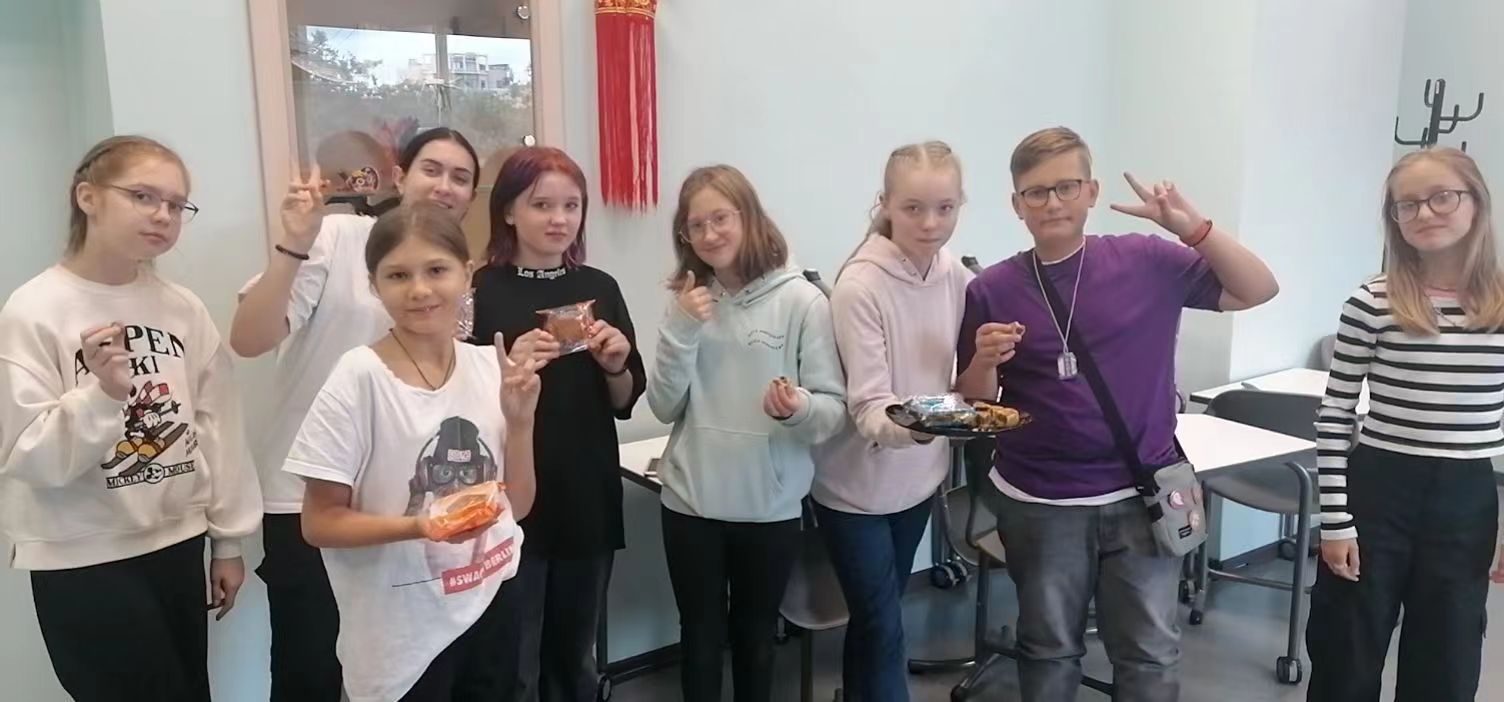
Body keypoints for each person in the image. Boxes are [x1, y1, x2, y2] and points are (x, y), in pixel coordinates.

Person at [955, 126, 1278, 701]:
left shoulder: (1147, 260)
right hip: (1040, 501)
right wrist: (982, 360)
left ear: (1091, 191)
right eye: (1036, 192)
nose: (1052, 202)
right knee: (1047, 648)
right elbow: (975, 402)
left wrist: (1194, 229)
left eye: (1066, 186)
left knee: (1149, 653)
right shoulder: (993, 288)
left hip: (1140, 493)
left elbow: (1258, 289)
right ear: (1017, 204)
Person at [0, 135, 262, 701]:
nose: (163, 215)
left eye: (177, 204)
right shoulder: (33, 310)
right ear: (88, 197)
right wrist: (102, 395)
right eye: (143, 196)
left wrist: (228, 543)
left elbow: (218, 428)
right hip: (83, 554)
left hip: (177, 541)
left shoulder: (182, 308)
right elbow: (26, 456)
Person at [230, 127, 481, 700]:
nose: (444, 186)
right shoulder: (340, 238)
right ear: (400, 176)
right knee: (310, 670)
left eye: (461, 177)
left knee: (404, 672)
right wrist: (294, 245)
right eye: (432, 169)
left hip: (405, 510)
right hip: (310, 501)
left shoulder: (454, 280)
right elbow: (248, 338)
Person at [285, 202, 540, 701]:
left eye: (437, 270)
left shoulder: (491, 366)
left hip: (491, 601)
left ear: (467, 274)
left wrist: (520, 422)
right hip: (403, 631)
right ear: (374, 284)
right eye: (398, 275)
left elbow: (519, 506)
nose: (420, 290)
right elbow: (319, 523)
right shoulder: (358, 378)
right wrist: (421, 526)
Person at [1306, 147, 1504, 702]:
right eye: (1407, 205)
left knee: (1447, 659)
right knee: (1347, 651)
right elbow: (1335, 414)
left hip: (1466, 497)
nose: (1424, 213)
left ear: (1476, 203)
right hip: (1378, 492)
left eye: (1442, 197)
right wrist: (1336, 523)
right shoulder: (1373, 302)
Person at [646, 164, 846, 702]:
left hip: (768, 508)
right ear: (685, 236)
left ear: (748, 217)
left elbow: (832, 412)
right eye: (696, 225)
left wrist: (797, 409)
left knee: (757, 639)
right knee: (699, 638)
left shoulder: (803, 302)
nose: (710, 234)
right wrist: (682, 328)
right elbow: (663, 406)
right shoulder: (688, 302)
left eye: (721, 218)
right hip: (691, 503)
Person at [468, 146, 646, 702]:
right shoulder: (479, 290)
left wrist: (615, 365)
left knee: (574, 658)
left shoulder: (601, 286)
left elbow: (625, 399)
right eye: (541, 204)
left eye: (572, 205)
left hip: (587, 493)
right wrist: (501, 366)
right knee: (512, 661)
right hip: (508, 498)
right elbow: (455, 404)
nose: (559, 219)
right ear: (508, 210)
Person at [811, 141, 973, 702]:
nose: (930, 223)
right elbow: (869, 407)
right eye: (913, 208)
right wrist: (928, 428)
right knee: (882, 623)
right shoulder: (861, 286)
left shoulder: (954, 274)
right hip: (853, 487)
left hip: (918, 479)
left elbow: (964, 371)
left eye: (945, 208)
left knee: (876, 618)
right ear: (885, 204)